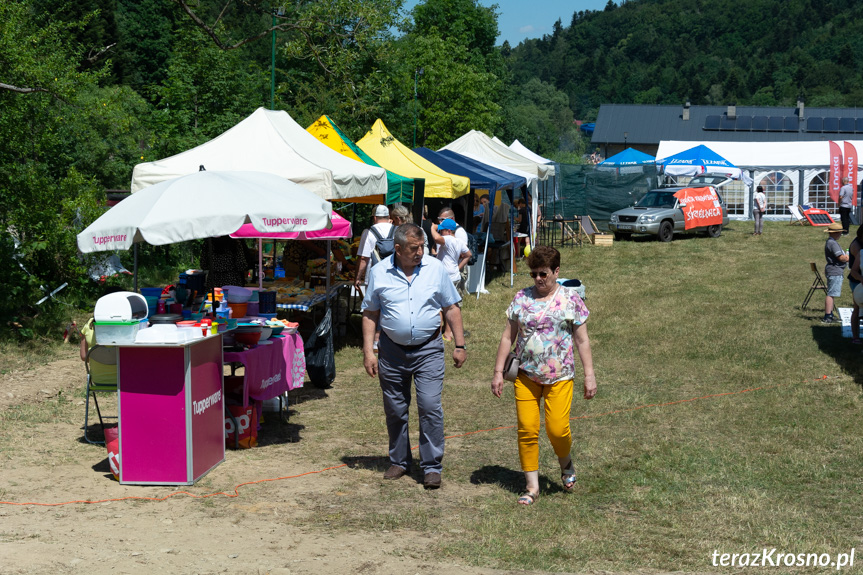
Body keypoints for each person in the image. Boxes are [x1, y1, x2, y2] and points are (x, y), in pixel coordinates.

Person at [361, 223, 466, 489]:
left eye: (422, 247)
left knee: (430, 406)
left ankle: (431, 466)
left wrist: (460, 344)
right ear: (397, 249)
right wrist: (368, 353)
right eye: (413, 248)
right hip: (391, 352)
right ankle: (399, 460)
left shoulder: (435, 269)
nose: (420, 252)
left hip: (428, 349)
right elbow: (370, 313)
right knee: (395, 408)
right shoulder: (378, 272)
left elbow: (451, 308)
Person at [490, 245, 596, 506]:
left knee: (557, 429)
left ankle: (566, 463)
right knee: (527, 429)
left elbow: (582, 341)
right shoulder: (521, 299)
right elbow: (508, 336)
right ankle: (532, 487)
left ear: (556, 271)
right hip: (526, 376)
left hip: (560, 377)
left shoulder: (571, 299)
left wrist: (590, 376)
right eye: (533, 274)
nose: (538, 279)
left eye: (543, 274)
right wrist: (497, 372)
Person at [430, 218, 471, 342]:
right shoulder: (459, 241)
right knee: (452, 305)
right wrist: (458, 267)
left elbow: (437, 239)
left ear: (448, 231)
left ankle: (441, 333)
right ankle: (449, 333)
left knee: (441, 305)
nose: (440, 232)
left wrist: (432, 228)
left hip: (445, 277)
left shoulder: (447, 239)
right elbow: (468, 255)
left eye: (442, 230)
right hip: (455, 276)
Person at [354, 205, 394, 288]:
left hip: (374, 276)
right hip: (393, 276)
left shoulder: (368, 232)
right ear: (388, 216)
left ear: (375, 218)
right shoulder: (397, 231)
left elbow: (363, 258)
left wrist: (357, 278)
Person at [823, 222, 849, 324]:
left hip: (834, 270)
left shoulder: (831, 242)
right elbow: (841, 257)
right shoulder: (832, 243)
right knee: (831, 293)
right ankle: (827, 315)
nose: (840, 235)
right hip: (835, 270)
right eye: (839, 233)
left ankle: (830, 314)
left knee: (832, 293)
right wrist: (848, 257)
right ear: (834, 233)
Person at [848, 226, 863, 343]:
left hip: (858, 278)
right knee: (857, 308)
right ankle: (855, 336)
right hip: (856, 280)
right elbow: (855, 270)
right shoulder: (857, 246)